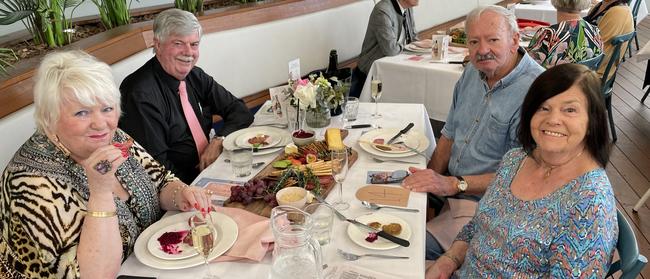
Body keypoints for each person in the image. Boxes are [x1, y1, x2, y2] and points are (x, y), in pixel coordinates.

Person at [0, 50, 214, 278]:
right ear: (50, 119)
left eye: (107, 109)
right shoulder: (30, 184)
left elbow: (160, 181)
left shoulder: (113, 138)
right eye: (82, 113)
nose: (101, 124)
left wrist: (181, 195)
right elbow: (94, 275)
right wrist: (100, 191)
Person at [425, 63, 617, 278]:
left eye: (570, 110)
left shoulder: (589, 203)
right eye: (543, 107)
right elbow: (478, 225)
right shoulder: (516, 160)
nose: (552, 119)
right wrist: (449, 260)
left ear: (592, 120)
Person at [400, 5, 545, 260]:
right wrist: (430, 179)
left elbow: (522, 176)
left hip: (489, 206)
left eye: (492, 40)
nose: (482, 50)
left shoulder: (535, 93)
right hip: (450, 190)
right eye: (474, 41)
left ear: (514, 40)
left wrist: (454, 184)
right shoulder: (471, 72)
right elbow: (449, 136)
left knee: (405, 246)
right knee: (381, 210)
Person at [119, 8, 254, 184]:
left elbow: (240, 110)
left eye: (194, 44)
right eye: (178, 43)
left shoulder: (195, 76)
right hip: (178, 187)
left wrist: (219, 140)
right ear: (157, 45)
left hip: (212, 170)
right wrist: (202, 186)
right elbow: (157, 168)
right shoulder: (139, 94)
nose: (188, 52)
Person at [349, 0, 421, 98]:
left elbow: (412, 37)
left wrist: (421, 45)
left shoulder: (407, 8)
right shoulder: (382, 10)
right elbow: (390, 49)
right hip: (371, 73)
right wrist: (411, 45)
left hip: (393, 67)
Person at [527, 0, 603, 68]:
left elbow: (529, 66)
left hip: (552, 82)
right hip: (584, 82)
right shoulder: (596, 32)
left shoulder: (547, 34)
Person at [584, 0, 633, 77]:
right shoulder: (600, 5)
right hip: (587, 60)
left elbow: (595, 45)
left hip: (593, 72)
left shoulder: (619, 12)